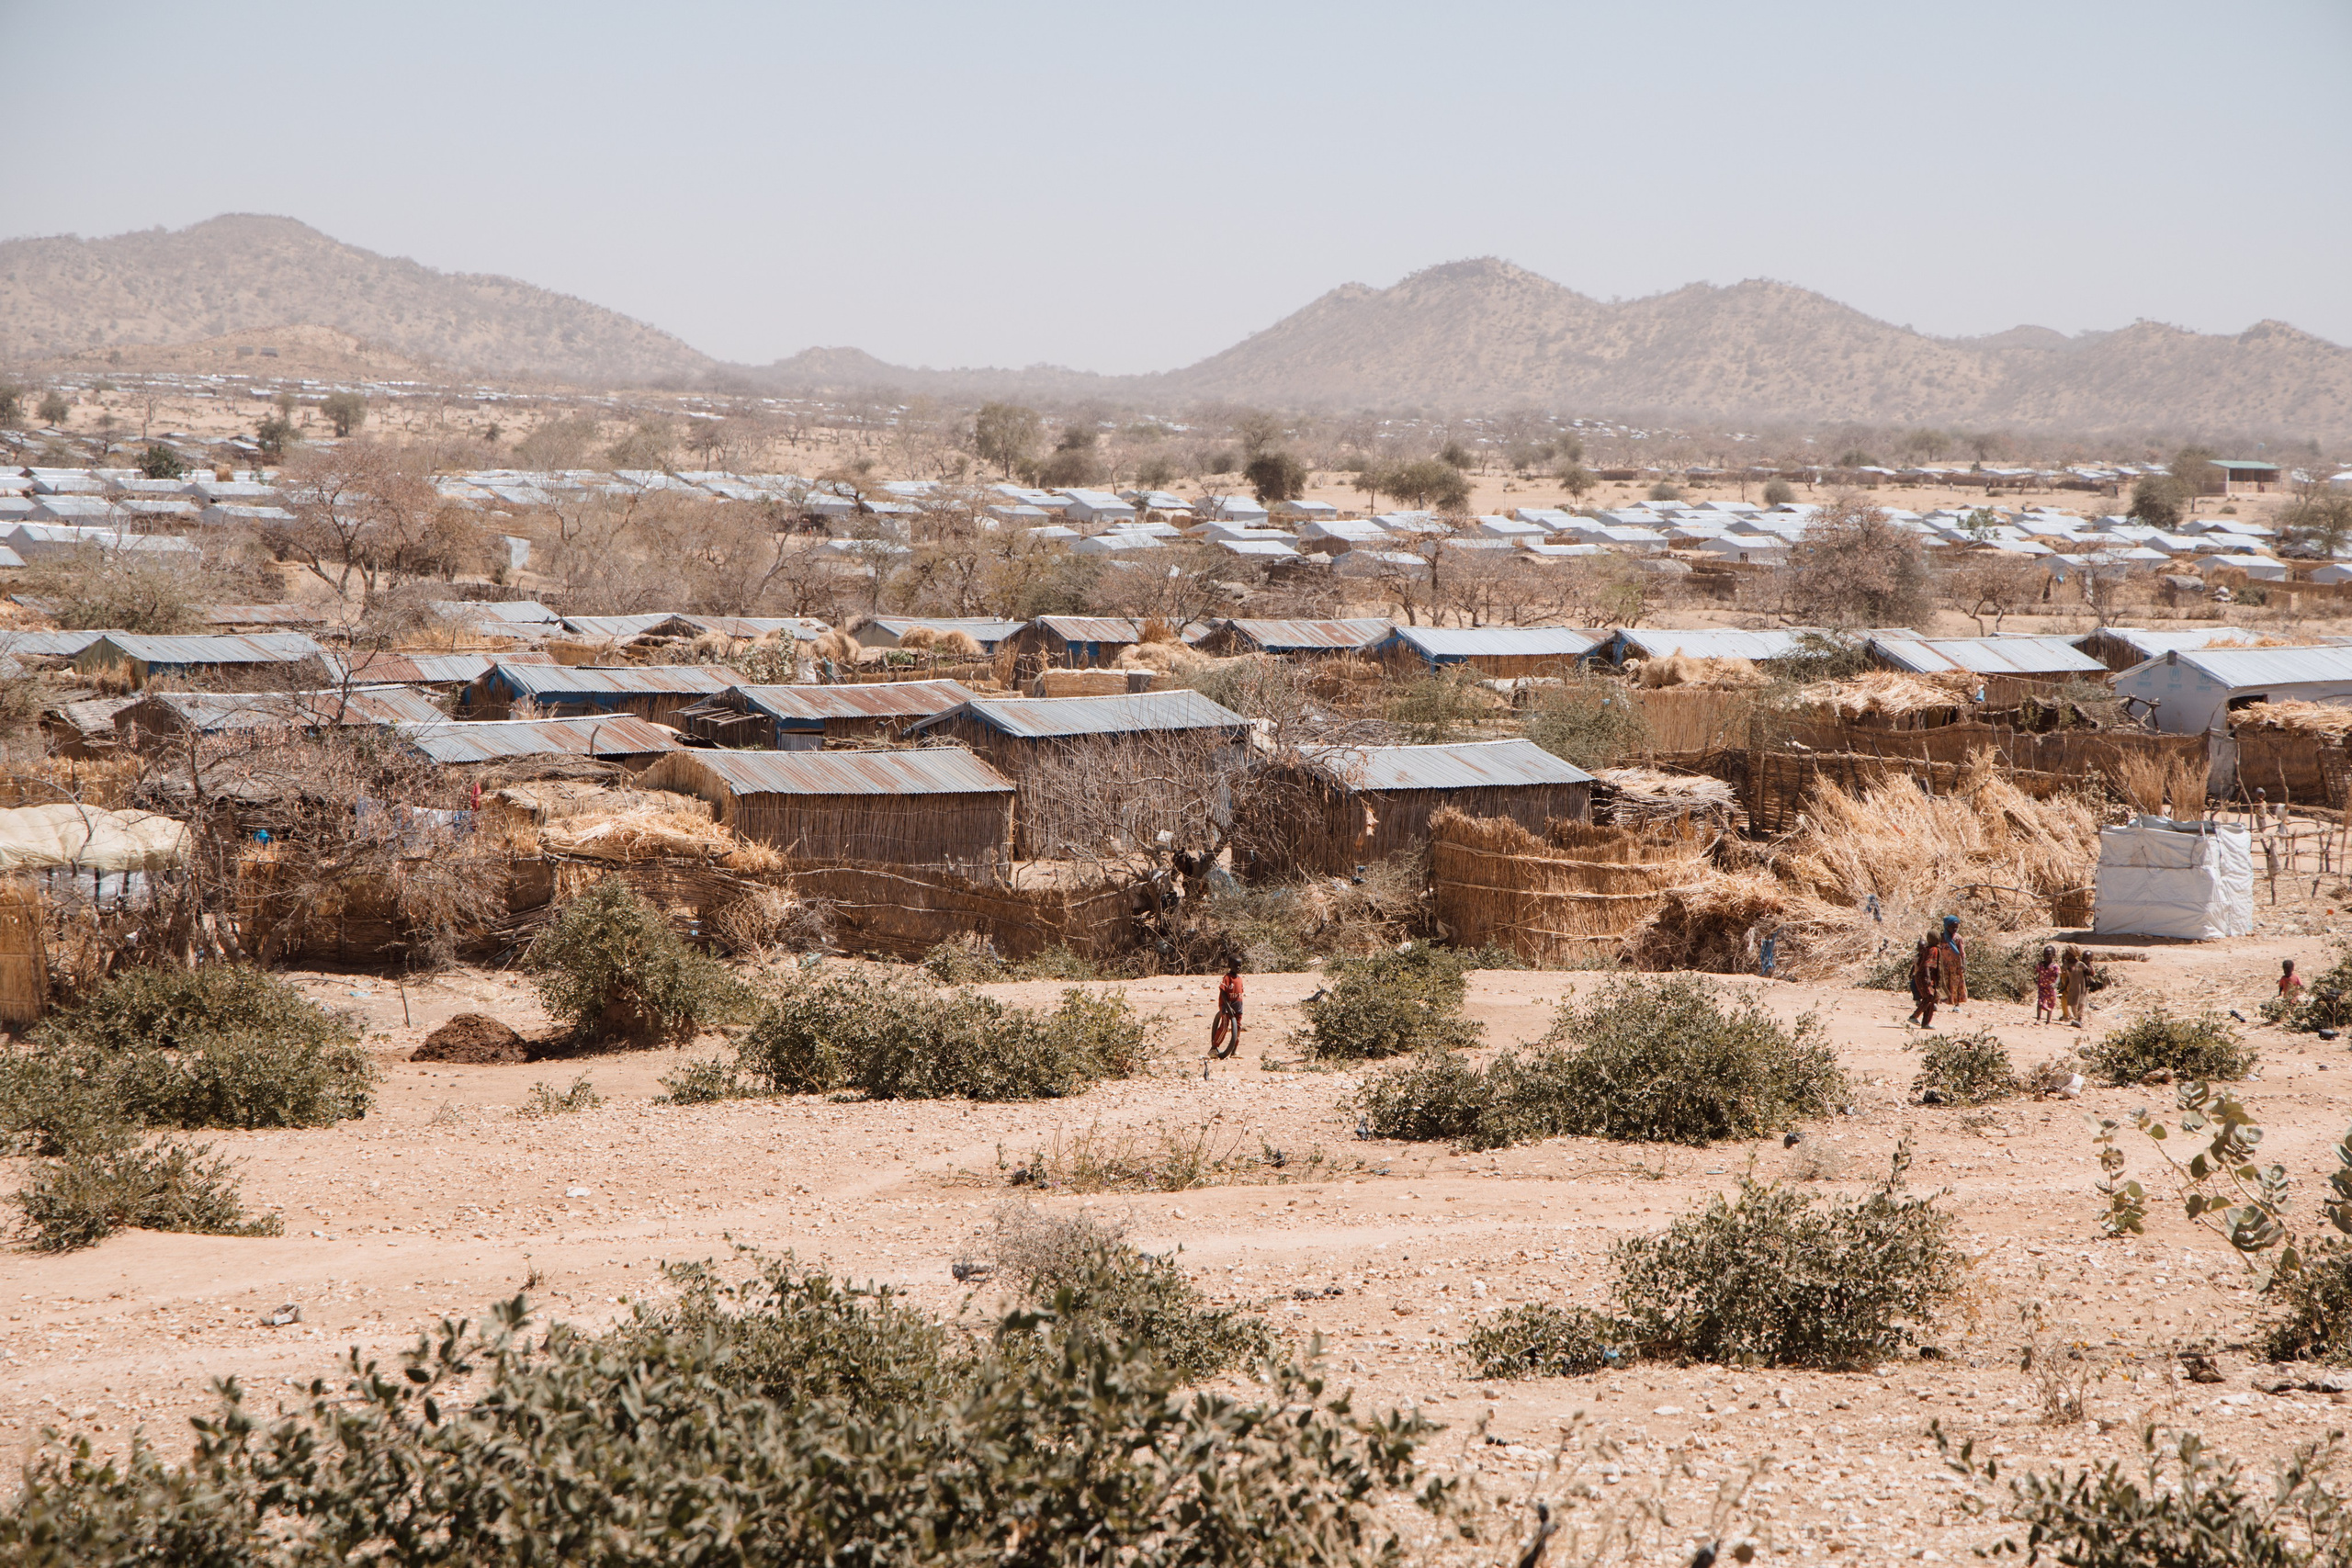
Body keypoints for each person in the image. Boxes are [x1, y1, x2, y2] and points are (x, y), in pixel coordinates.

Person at [1209, 961, 1244, 1059]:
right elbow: (1223, 993)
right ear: (1230, 966)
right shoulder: (1227, 978)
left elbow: (1239, 994)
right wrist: (1228, 1007)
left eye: (1240, 965)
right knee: (1224, 1027)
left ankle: (1234, 1051)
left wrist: (1239, 1008)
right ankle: (1214, 1048)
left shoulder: (1240, 979)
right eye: (1235, 965)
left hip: (1238, 1008)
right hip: (1227, 1008)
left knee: (1237, 1029)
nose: (1238, 967)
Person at [1907, 936, 1940, 1029]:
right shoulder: (1932, 950)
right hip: (1924, 977)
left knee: (1932, 998)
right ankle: (1914, 1016)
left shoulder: (1930, 950)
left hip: (1925, 977)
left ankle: (1925, 1023)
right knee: (1929, 997)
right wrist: (1928, 977)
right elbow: (1927, 965)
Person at [1938, 915, 1968, 1010]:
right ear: (1947, 926)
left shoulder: (1958, 938)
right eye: (1953, 927)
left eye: (1956, 927)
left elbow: (1962, 953)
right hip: (1944, 964)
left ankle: (1957, 1004)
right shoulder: (1941, 938)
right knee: (1941, 983)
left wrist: (1963, 965)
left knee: (1956, 984)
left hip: (1955, 965)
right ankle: (1936, 1002)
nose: (1955, 929)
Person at [2061, 944, 2090, 1028]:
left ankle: (2080, 1018)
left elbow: (2087, 972)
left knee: (2081, 1003)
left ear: (2072, 954)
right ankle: (2076, 1017)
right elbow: (2063, 971)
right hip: (2072, 986)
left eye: (2067, 953)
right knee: (2073, 1003)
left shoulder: (2080, 964)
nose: (2065, 954)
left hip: (2081, 986)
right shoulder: (2067, 964)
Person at [2035, 944, 2059, 1026]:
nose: (2046, 956)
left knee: (2050, 1004)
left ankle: (2048, 1020)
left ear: (2054, 955)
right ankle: (2038, 1019)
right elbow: (2038, 973)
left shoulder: (2055, 966)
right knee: (2040, 1003)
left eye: (2049, 954)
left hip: (2050, 988)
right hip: (2042, 987)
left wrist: (2055, 983)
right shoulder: (2040, 965)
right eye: (2045, 954)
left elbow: (2058, 976)